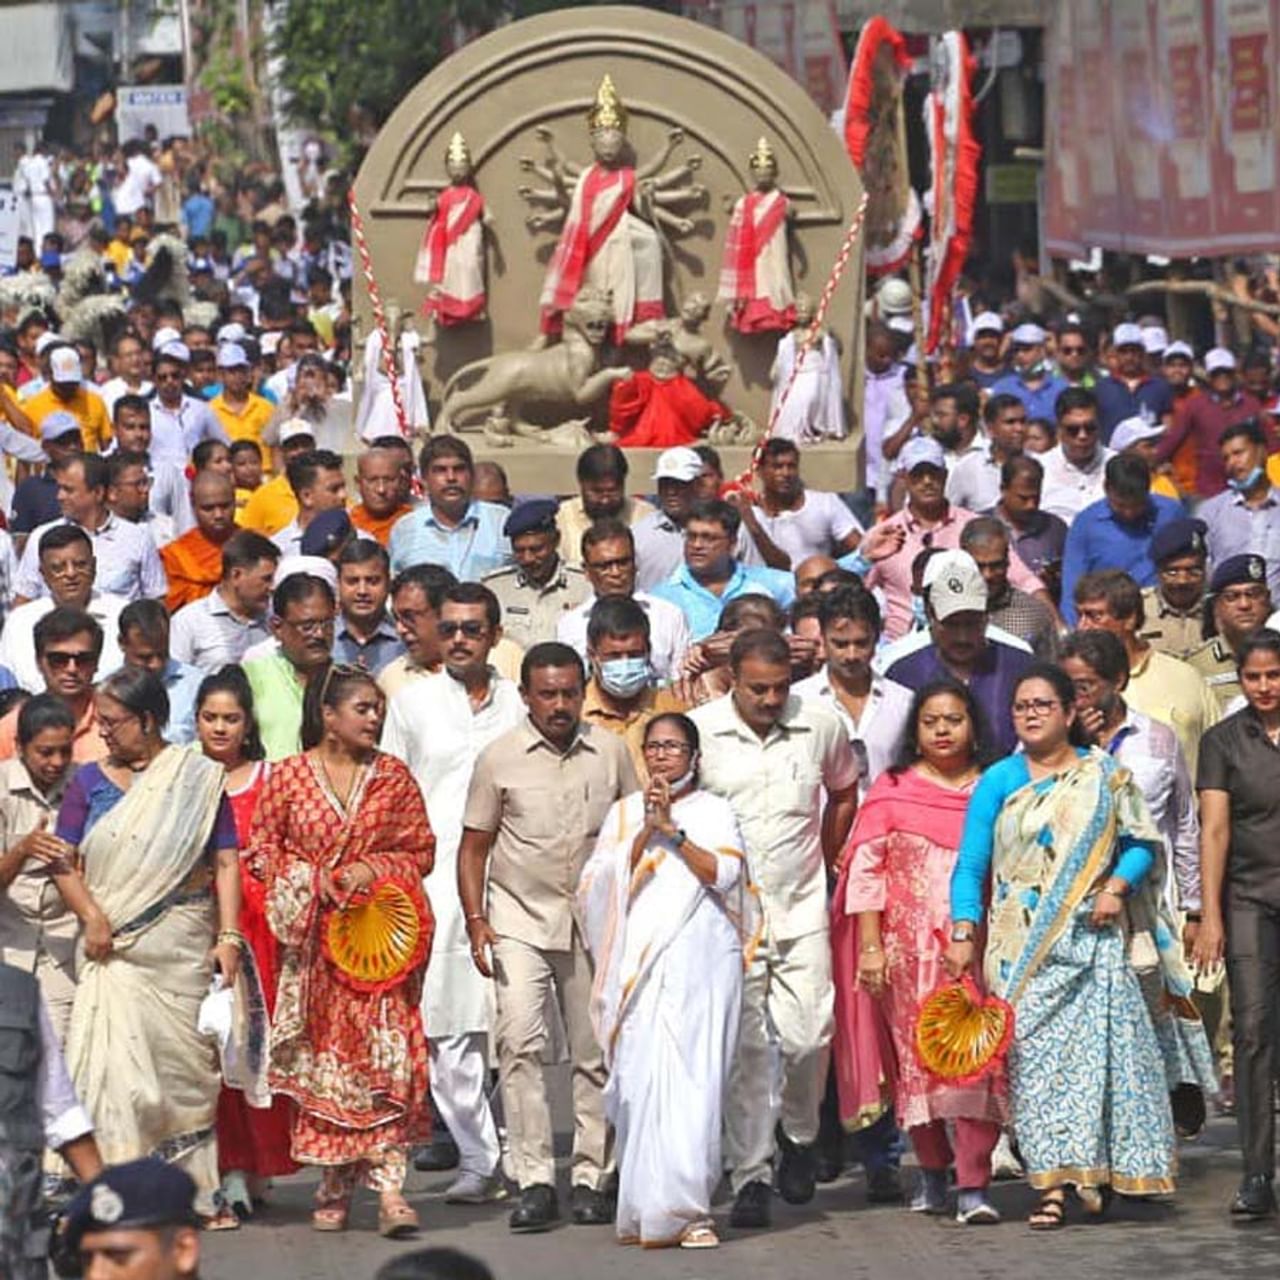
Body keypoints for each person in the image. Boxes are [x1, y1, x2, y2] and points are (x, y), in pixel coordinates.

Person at [946, 664, 1179, 1229]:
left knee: (1095, 1062)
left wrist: (1117, 887)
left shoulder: (1104, 775)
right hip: (1020, 951)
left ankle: (1086, 1174)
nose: (1029, 714)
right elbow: (971, 864)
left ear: (1069, 713)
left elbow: (1141, 842)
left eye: (1042, 705)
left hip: (1093, 940)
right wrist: (962, 930)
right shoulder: (1000, 780)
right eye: (1021, 706)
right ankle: (1049, 1184)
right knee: (1037, 1070)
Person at [459, 643, 638, 1232]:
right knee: (518, 1042)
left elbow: (635, 836)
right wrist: (477, 921)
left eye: (568, 693)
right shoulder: (499, 758)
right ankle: (534, 1178)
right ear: (526, 695)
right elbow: (474, 847)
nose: (559, 705)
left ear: (582, 689)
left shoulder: (610, 754)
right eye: (547, 694)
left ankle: (592, 1176)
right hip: (518, 919)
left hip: (594, 921)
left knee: (594, 1053)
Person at [53, 669, 241, 1224]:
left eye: (112, 722)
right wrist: (91, 916)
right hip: (112, 953)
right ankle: (120, 1195)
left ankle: (195, 1193)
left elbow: (225, 861)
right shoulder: (88, 781)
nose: (103, 732)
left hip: (179, 948)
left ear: (149, 720)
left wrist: (228, 937)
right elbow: (63, 860)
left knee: (182, 1077)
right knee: (115, 1077)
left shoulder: (197, 779)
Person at [252, 663, 434, 1236]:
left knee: (386, 1060)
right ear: (328, 717)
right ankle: (332, 1183)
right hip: (317, 955)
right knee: (327, 1067)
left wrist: (370, 868)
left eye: (378, 709)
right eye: (363, 708)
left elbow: (420, 850)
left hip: (379, 946)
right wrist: (313, 879)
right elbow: (262, 851)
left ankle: (390, 1190)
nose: (374, 718)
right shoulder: (286, 779)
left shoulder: (394, 779)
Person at [691, 628, 858, 1228]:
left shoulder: (820, 723)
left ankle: (801, 1134)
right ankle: (751, 1175)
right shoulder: (703, 730)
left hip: (803, 906)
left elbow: (843, 791)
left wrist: (830, 859)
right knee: (749, 1050)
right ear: (731, 678)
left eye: (779, 688)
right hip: (729, 917)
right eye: (757, 689)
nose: (769, 699)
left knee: (811, 1034)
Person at [578, 712, 752, 1248]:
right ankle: (643, 1209)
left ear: (694, 757)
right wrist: (644, 831)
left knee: (695, 1084)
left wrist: (673, 832)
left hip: (702, 964)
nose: (661, 756)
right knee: (640, 1083)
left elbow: (726, 875)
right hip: (641, 969)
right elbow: (593, 889)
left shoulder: (716, 811)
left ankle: (690, 1210)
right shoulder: (625, 813)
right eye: (653, 747)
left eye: (674, 747)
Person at [834, 680, 1004, 1224]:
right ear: (915, 730)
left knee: (977, 1060)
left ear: (973, 724)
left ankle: (974, 1183)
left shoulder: (995, 789)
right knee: (918, 1065)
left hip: (977, 950)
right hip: (905, 955)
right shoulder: (892, 789)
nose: (942, 730)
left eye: (954, 719)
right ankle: (932, 1172)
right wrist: (869, 949)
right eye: (931, 721)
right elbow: (866, 874)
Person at [381, 583, 524, 1205]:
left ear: (494, 636)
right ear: (438, 635)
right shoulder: (412, 704)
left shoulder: (522, 703)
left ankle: (527, 1156)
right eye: (452, 628)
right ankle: (479, 1156)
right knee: (448, 1027)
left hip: (517, 878)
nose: (462, 638)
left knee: (520, 1025)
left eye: (474, 628)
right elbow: (390, 791)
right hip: (435, 881)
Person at [194, 667, 298, 1218]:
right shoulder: (185, 780)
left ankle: (259, 1164)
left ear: (248, 723)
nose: (220, 728)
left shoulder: (273, 779)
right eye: (209, 717)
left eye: (230, 718)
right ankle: (227, 1166)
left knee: (260, 1053)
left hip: (265, 934)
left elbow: (296, 848)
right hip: (203, 929)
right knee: (215, 1053)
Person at [1194, 630, 1280, 1218]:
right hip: (1250, 897)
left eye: (1274, 675)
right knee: (1251, 1032)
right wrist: (1211, 915)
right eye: (1253, 677)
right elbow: (1215, 829)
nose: (1265, 687)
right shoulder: (1223, 740)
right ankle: (1256, 1174)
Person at [864, 436, 1047, 640]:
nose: (927, 481)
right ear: (904, 478)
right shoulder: (884, 535)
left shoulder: (975, 527)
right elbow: (855, 589)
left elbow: (1026, 581)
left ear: (945, 475)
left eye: (933, 473)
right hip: (900, 648)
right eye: (918, 475)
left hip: (967, 643)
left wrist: (1057, 625)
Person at [884, 550, 1035, 755]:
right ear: (931, 615)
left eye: (971, 624)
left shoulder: (1021, 667)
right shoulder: (903, 673)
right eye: (952, 625)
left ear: (986, 616)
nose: (962, 637)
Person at [1074, 569, 1219, 776]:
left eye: (1095, 616)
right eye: (1079, 615)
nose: (1083, 627)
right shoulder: (1066, 687)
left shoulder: (1185, 678)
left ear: (1130, 619)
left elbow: (1218, 756)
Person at [0, 695, 78, 1041]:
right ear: (20, 747)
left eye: (65, 751)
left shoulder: (85, 785)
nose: (56, 762)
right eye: (45, 752)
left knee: (61, 1059)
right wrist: (23, 850)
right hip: (10, 944)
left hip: (65, 951)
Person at [793, 586, 913, 799]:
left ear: (877, 637)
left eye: (861, 643)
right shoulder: (797, 702)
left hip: (886, 828)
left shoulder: (904, 702)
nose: (851, 655)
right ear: (822, 638)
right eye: (840, 644)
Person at [13, 453, 167, 605]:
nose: (59, 496)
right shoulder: (41, 537)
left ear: (98, 492)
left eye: (69, 490)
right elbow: (23, 601)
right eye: (60, 488)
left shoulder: (138, 538)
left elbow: (156, 602)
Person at [556, 519, 691, 684]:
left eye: (623, 563)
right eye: (604, 566)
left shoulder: (669, 616)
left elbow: (681, 681)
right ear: (586, 571)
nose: (615, 572)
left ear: (635, 563)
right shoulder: (570, 625)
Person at [0, 526, 126, 692]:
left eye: (80, 564)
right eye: (58, 568)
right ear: (43, 573)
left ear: (94, 566)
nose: (71, 573)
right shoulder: (20, 622)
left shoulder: (122, 615)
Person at [1060, 454, 1183, 623]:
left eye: (1137, 505)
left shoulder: (1171, 513)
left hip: (1164, 617)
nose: (1129, 513)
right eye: (1120, 505)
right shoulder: (1086, 524)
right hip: (1108, 620)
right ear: (1106, 488)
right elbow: (1072, 587)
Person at [651, 498, 795, 641]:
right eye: (691, 536)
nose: (697, 545)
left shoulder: (777, 585)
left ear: (732, 543)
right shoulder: (661, 598)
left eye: (708, 538)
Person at [632, 446, 768, 589]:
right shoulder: (638, 535)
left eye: (680, 484)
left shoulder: (734, 529)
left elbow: (756, 581)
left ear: (698, 485)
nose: (671, 491)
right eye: (665, 484)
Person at [582, 596, 686, 774]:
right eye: (614, 656)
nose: (626, 663)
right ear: (592, 655)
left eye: (634, 654)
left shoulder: (674, 707)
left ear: (648, 651)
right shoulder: (576, 714)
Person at [390, 435, 511, 581]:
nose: (451, 478)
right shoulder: (405, 529)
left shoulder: (501, 522)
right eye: (440, 470)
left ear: (471, 475)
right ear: (424, 479)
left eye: (459, 469)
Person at [244, 573, 336, 760]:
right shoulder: (250, 678)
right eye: (307, 626)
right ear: (277, 628)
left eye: (327, 623)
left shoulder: (349, 683)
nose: (319, 634)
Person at [1157, 348, 1268, 500]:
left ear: (1234, 374)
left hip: (1249, 486)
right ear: (1209, 376)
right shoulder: (1195, 405)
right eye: (1217, 373)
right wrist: (1150, 462)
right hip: (1209, 489)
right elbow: (1172, 440)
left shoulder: (1251, 404)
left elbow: (1271, 444)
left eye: (1226, 372)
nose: (1222, 377)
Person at [0, 608, 106, 763]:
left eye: (83, 659)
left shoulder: (115, 723)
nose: (72, 669)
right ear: (39, 662)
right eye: (58, 659)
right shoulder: (11, 728)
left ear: (96, 662)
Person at [483, 500, 590, 649]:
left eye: (537, 549)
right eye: (519, 551)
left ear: (556, 541)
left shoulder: (584, 584)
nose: (528, 559)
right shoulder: (495, 589)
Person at [168, 530, 280, 672]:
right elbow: (177, 680)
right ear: (236, 575)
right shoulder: (189, 622)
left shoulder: (275, 619)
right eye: (266, 579)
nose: (272, 587)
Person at [1198, 418, 1280, 603]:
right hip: (1230, 619)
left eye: (1238, 453)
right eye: (1226, 458)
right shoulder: (1212, 512)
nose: (1232, 463)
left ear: (1262, 452)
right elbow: (1203, 571)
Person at [748, 439, 862, 569]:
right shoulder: (750, 512)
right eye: (777, 467)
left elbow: (861, 549)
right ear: (758, 470)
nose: (786, 473)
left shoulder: (824, 503)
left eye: (791, 466)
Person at [960, 517, 1060, 657]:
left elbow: (1051, 672)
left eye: (996, 566)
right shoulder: (945, 613)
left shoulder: (1033, 615)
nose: (987, 575)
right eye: (979, 566)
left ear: (1007, 561)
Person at [1188, 554, 1273, 712]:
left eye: (1253, 594)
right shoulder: (1196, 665)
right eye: (1232, 597)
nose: (1245, 604)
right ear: (1216, 606)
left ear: (1267, 599)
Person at [115, 599, 204, 746]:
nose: (156, 665)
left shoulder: (196, 684)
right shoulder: (106, 690)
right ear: (122, 643)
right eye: (145, 657)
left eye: (162, 654)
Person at [556, 443, 655, 567]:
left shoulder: (646, 516)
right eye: (597, 492)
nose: (605, 500)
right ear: (581, 483)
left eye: (612, 491)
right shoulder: (561, 518)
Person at [986, 453, 1068, 602]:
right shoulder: (983, 526)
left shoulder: (1056, 529)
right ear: (1004, 489)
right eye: (1023, 498)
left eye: (1036, 498)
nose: (1031, 505)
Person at [160, 472, 238, 614]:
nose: (218, 515)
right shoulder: (175, 554)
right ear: (193, 506)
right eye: (208, 508)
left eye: (225, 506)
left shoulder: (253, 545)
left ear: (235, 501)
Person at [1039, 387, 1113, 523]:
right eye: (1073, 430)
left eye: (1090, 428)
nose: (1082, 436)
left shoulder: (1117, 465)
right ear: (1059, 429)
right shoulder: (1040, 469)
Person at [148, 343, 228, 467]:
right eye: (163, 377)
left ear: (183, 376)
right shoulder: (147, 412)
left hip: (194, 479)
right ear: (154, 380)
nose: (170, 381)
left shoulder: (201, 409)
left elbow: (223, 443)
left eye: (174, 376)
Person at [946, 392, 1028, 513]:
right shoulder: (968, 468)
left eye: (1023, 421)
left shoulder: (1040, 464)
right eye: (1010, 422)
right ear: (990, 428)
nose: (1019, 428)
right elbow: (950, 514)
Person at [1140, 518, 1210, 659]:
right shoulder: (1138, 608)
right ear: (1158, 572)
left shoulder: (1218, 610)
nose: (1182, 581)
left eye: (1193, 571)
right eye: (1172, 572)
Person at [21, 346, 111, 453]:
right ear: (50, 375)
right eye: (63, 384)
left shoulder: (94, 402)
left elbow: (106, 444)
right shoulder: (33, 406)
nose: (68, 389)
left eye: (72, 383)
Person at [333, 539, 404, 675]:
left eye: (372, 581)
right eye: (352, 581)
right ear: (338, 585)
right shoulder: (323, 641)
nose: (362, 591)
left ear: (389, 583)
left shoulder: (406, 641)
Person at [1093, 322, 1174, 441]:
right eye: (1123, 351)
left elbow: (1168, 428)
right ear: (1115, 354)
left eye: (1134, 351)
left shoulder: (1160, 387)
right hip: (1113, 457)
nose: (1129, 357)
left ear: (1142, 353)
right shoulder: (1101, 388)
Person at [239, 419, 317, 536]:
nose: (300, 451)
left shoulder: (328, 488)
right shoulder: (262, 497)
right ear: (282, 451)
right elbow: (246, 540)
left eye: (305, 445)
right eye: (293, 447)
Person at [271, 450, 349, 558]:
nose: (343, 495)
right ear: (306, 496)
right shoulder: (279, 550)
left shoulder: (362, 540)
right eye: (334, 489)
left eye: (343, 487)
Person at [988, 323, 1069, 422]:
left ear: (1042, 351)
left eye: (1027, 349)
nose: (1020, 355)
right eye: (1016, 350)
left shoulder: (1061, 388)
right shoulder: (1001, 388)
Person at [209, 343, 274, 447]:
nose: (238, 376)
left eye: (241, 371)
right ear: (221, 375)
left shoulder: (265, 408)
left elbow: (274, 446)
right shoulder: (210, 410)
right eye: (232, 371)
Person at [350, 447, 413, 547]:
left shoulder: (414, 523)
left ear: (401, 482)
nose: (381, 489)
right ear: (358, 483)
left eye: (389, 480)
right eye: (372, 480)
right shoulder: (347, 524)